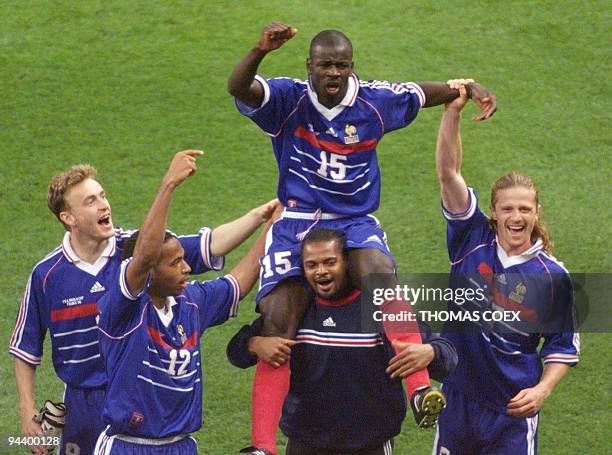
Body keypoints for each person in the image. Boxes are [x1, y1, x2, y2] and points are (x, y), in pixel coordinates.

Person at [227, 22, 496, 453]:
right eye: (325, 65)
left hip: (353, 219)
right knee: (278, 320)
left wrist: (467, 87)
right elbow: (239, 87)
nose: (333, 73)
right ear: (308, 66)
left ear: (353, 68)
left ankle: (420, 390)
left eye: (342, 65)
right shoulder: (286, 99)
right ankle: (262, 446)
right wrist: (259, 50)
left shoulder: (373, 101)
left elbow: (424, 94)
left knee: (378, 272)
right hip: (297, 221)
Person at [10, 161, 277, 455]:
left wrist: (261, 218)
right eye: (90, 201)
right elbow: (26, 347)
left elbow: (209, 247)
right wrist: (27, 410)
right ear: (68, 217)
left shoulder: (142, 252)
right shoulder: (49, 274)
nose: (103, 205)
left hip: (139, 398)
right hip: (84, 402)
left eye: (102, 195)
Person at [93, 150, 274, 453]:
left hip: (181, 446)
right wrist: (169, 185)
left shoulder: (190, 302)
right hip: (129, 446)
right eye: (176, 262)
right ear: (151, 271)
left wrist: (275, 223)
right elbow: (146, 254)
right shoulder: (122, 310)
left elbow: (239, 282)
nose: (187, 267)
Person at [432, 83, 579, 454]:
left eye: (524, 209)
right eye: (508, 209)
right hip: (459, 398)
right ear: (494, 212)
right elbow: (449, 172)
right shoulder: (471, 237)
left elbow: (563, 346)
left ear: (536, 213)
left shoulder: (553, 276)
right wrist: (453, 112)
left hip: (511, 413)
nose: (516, 217)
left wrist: (542, 390)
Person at [228, 228, 458, 455]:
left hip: (370, 446)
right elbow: (235, 353)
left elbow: (447, 355)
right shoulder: (295, 311)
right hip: (305, 444)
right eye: (312, 265)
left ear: (348, 262)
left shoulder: (381, 309)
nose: (321, 271)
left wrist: (430, 352)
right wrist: (254, 344)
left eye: (329, 262)